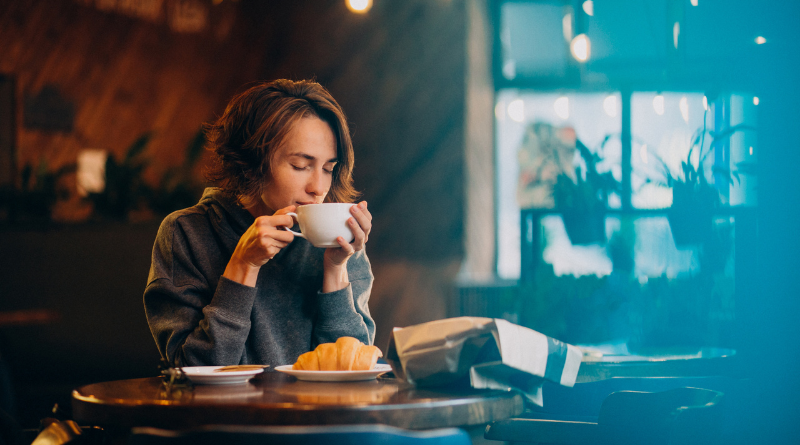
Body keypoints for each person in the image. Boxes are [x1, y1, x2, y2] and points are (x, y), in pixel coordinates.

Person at [143, 79, 375, 367]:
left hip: (317, 412)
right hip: (225, 413)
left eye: (328, 168)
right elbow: (193, 370)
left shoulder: (339, 237)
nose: (319, 187)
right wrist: (244, 265)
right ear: (251, 162)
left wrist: (336, 270)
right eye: (300, 166)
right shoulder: (187, 232)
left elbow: (353, 367)